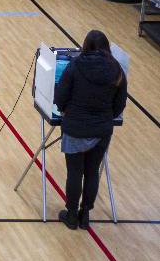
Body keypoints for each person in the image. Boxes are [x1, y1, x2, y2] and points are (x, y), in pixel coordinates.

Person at [54, 30, 127, 230]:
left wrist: (65, 110)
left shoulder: (75, 65)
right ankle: (85, 214)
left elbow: (60, 96)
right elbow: (120, 104)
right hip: (102, 129)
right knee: (92, 172)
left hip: (76, 126)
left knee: (75, 172)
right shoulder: (117, 70)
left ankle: (71, 214)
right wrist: (103, 117)